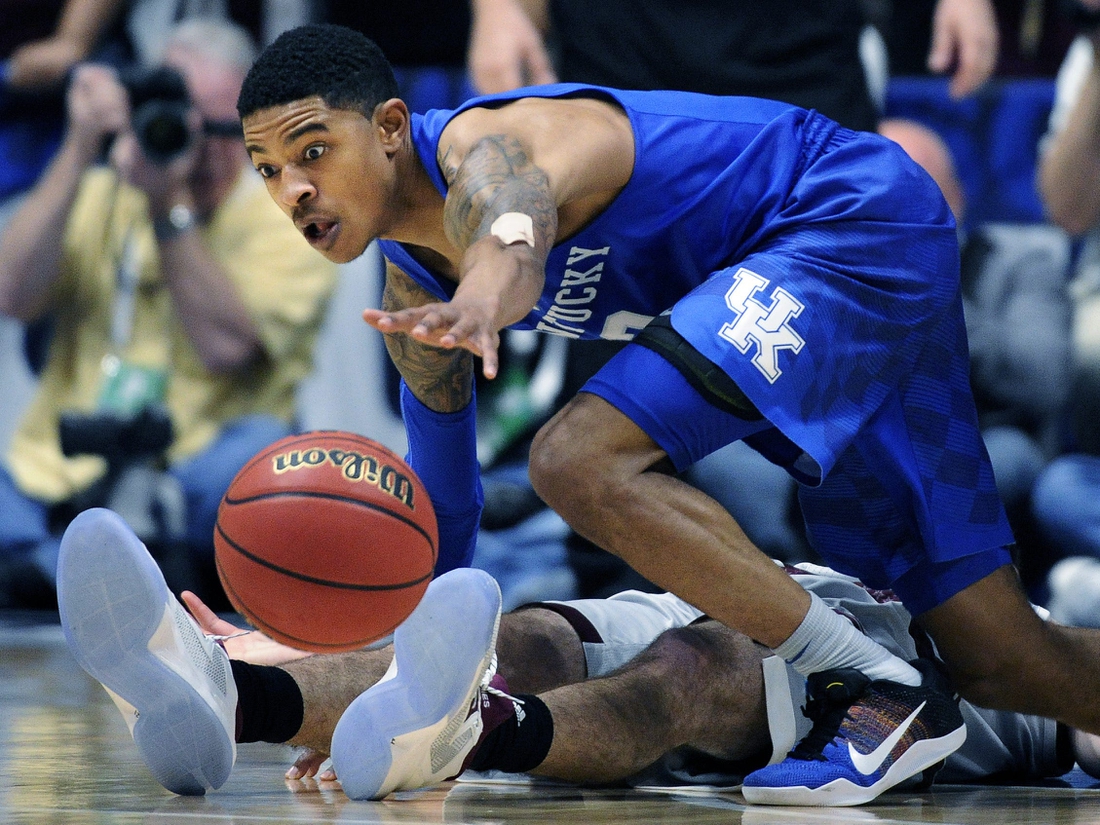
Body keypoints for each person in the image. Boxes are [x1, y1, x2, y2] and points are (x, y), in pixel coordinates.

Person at [229, 22, 1100, 806]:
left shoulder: (491, 146)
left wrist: (485, 299)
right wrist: (401, 679)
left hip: (842, 216)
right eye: (268, 170)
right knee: (997, 655)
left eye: (312, 151)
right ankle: (904, 680)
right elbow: (447, 516)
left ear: (387, 127)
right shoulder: (412, 284)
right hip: (847, 268)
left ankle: (868, 682)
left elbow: (512, 228)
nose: (293, 189)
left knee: (577, 458)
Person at [56, 506, 1095, 801]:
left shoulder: (1061, 670)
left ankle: (462, 730)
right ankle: (229, 695)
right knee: (525, 634)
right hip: (770, 586)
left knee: (692, 674)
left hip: (865, 677)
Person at [0, 17, 337, 608]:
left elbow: (227, 349)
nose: (197, 147)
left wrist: (168, 209)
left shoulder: (290, 215)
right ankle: (73, 567)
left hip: (201, 469)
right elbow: (10, 294)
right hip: (64, 463)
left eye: (217, 128)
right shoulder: (107, 191)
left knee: (267, 466)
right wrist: (80, 147)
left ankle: (66, 571)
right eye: (180, 122)